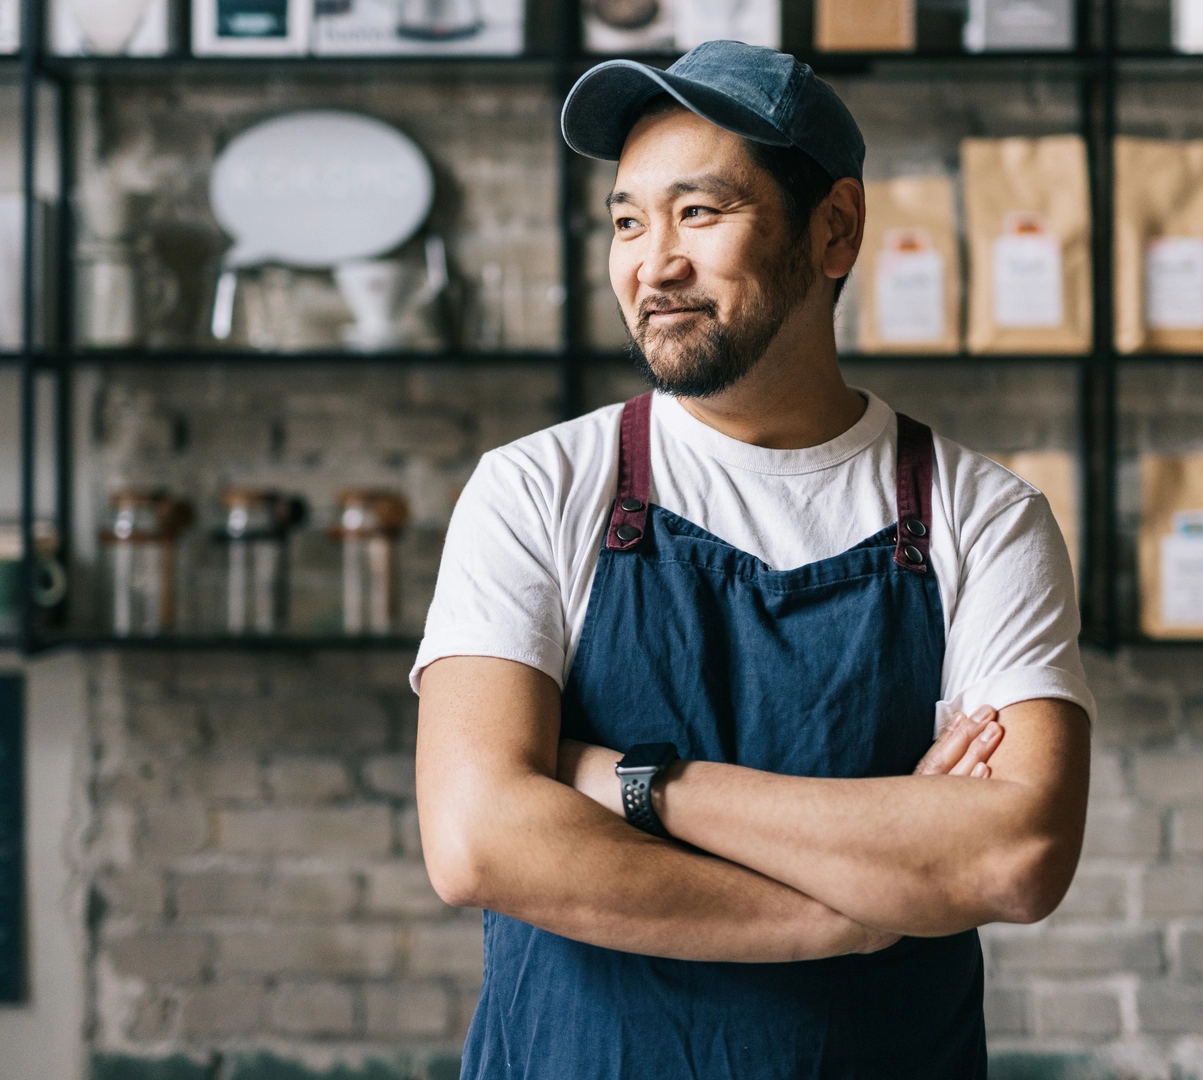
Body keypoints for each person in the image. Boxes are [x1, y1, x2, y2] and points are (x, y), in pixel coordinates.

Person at [413, 40, 1094, 1080]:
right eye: (629, 221)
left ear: (834, 230)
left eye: (699, 212)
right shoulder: (536, 490)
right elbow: (476, 839)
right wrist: (847, 912)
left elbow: (1013, 856)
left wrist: (631, 784)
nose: (654, 262)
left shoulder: (984, 517)